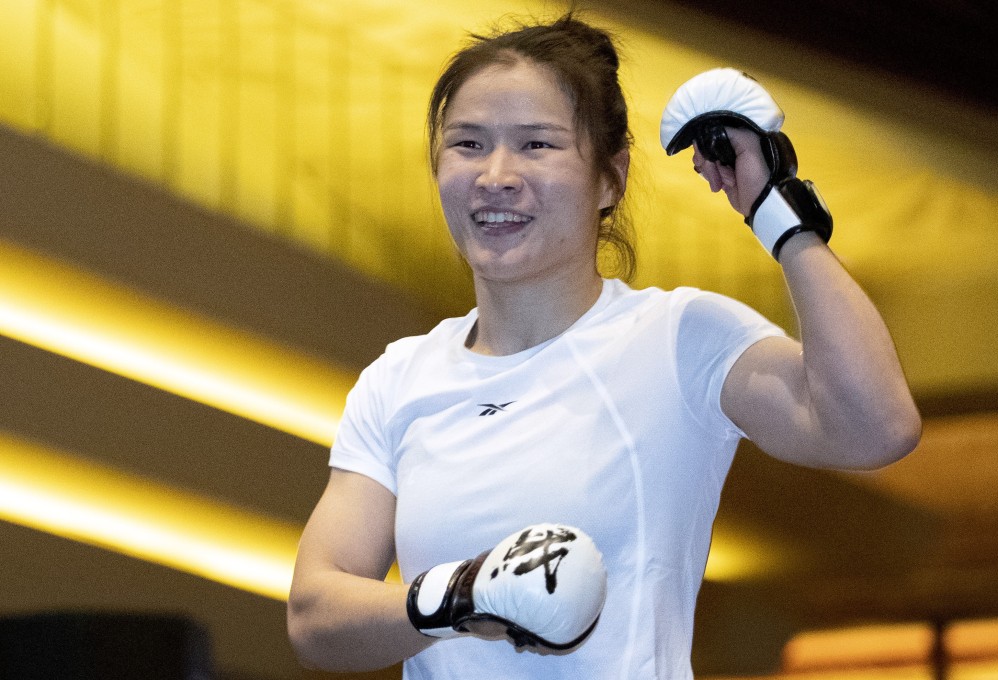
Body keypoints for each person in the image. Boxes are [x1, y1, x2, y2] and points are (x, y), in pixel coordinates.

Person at [287, 13, 922, 680]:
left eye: (537, 145)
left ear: (611, 177)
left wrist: (778, 210)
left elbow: (875, 429)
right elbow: (314, 617)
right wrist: (459, 595)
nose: (496, 174)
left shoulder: (678, 339)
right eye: (468, 144)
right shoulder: (400, 377)